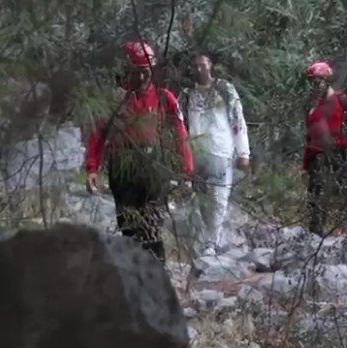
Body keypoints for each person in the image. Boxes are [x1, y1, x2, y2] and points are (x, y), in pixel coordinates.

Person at [84, 41, 194, 262]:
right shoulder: (115, 101)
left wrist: (187, 170)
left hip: (152, 166)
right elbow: (98, 134)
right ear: (126, 71)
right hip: (122, 168)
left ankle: (156, 271)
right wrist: (92, 168)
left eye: (145, 71)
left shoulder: (164, 98)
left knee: (152, 225)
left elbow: (180, 134)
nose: (142, 77)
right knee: (128, 226)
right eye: (136, 72)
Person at [179, 52, 251, 256]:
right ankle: (207, 239)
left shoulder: (225, 89)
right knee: (202, 197)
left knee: (218, 197)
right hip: (196, 152)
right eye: (195, 66)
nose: (199, 69)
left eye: (203, 64)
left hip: (221, 150)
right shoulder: (187, 94)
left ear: (210, 65)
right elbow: (180, 124)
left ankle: (212, 242)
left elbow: (237, 120)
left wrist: (244, 152)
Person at [302, 60, 347, 236]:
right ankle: (315, 236)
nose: (315, 86)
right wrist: (306, 165)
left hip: (341, 154)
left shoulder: (345, 101)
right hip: (318, 158)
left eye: (318, 81)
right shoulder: (313, 109)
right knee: (316, 199)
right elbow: (310, 139)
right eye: (312, 82)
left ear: (327, 80)